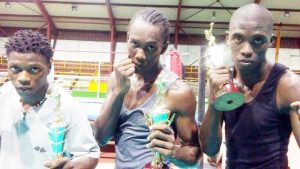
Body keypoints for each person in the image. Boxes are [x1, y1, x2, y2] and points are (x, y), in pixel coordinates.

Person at [92, 8, 202, 168]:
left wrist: (172, 152)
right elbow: (100, 137)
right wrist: (118, 92)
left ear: (163, 48)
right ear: (127, 38)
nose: (140, 55)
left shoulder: (178, 92)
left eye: (150, 47)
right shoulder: (117, 80)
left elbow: (196, 158)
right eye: (135, 44)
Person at [200, 3, 300, 169]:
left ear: (271, 41)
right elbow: (210, 149)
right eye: (238, 38)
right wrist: (213, 104)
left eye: (257, 40)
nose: (246, 50)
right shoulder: (222, 82)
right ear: (228, 38)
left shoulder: (289, 85)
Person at [0, 30, 100, 169]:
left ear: (49, 68)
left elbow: (90, 155)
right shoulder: (5, 93)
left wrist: (71, 165)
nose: (23, 78)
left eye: (34, 69)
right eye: (15, 68)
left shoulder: (67, 106)